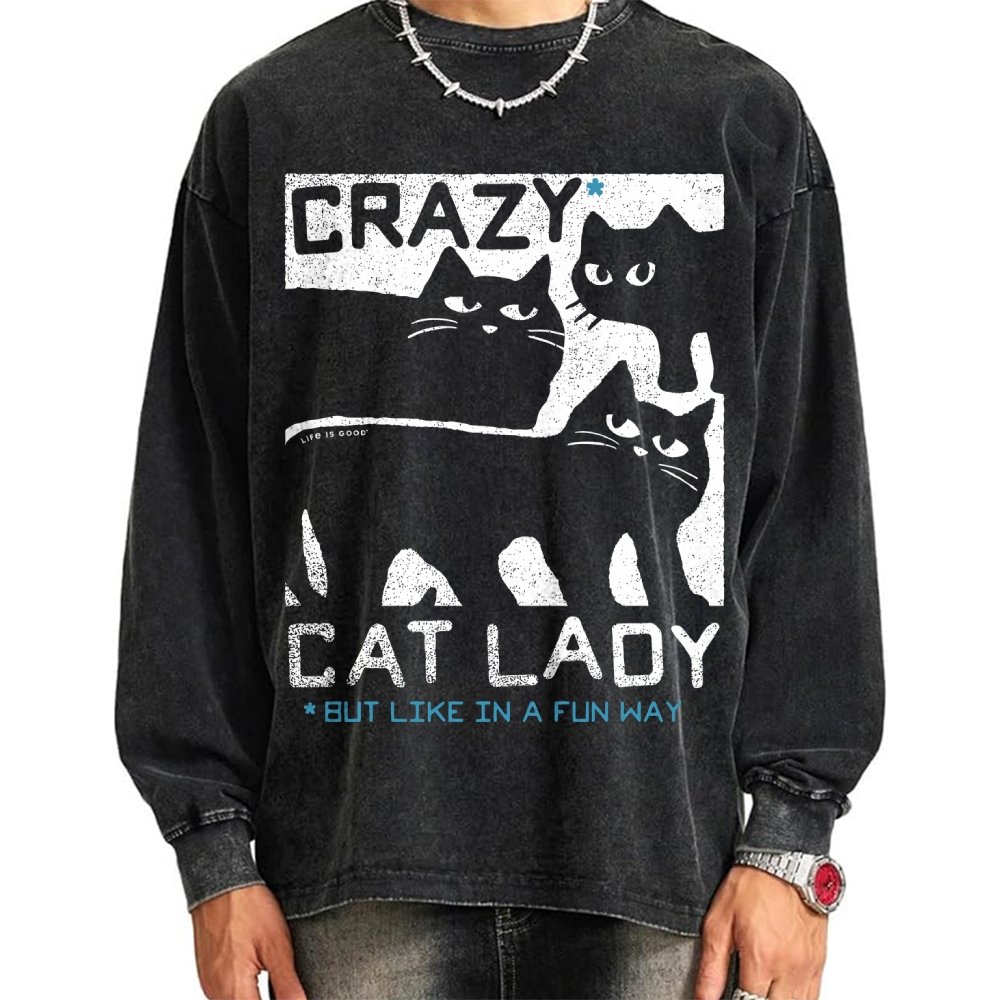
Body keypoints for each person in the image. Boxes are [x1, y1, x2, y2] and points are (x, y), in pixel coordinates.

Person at [114, 1, 885, 998]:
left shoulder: (736, 116)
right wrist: (212, 849)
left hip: (662, 876)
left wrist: (791, 842)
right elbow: (191, 498)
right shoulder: (274, 118)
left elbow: (810, 493)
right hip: (353, 876)